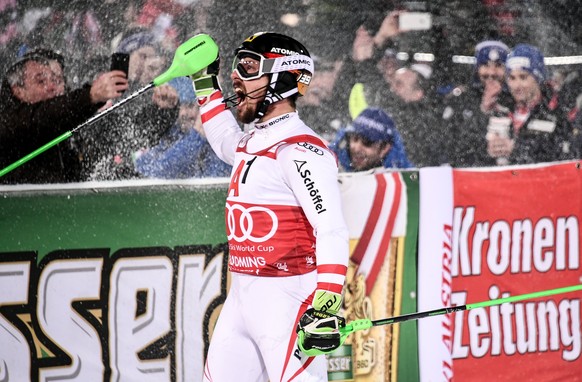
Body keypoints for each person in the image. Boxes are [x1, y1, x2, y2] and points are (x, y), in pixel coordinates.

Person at [190, 32, 349, 381]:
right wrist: (203, 81)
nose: (236, 76)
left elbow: (331, 228)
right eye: (236, 67)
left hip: (288, 300)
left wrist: (326, 301)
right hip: (241, 299)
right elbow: (222, 139)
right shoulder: (254, 141)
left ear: (282, 78)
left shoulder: (300, 149)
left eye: (249, 68)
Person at [0, 48, 128, 184]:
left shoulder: (66, 121)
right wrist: (91, 96)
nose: (51, 87)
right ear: (19, 91)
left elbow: (93, 166)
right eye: (41, 81)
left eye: (55, 80)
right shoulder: (9, 120)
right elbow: (43, 117)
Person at [81, 29, 179, 181]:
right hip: (99, 175)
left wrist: (165, 107)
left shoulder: (151, 90)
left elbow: (146, 133)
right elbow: (118, 124)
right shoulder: (102, 84)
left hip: (130, 175)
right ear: (126, 56)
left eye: (152, 57)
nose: (147, 63)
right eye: (142, 56)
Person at [487, 44, 573, 165]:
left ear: (538, 78)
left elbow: (563, 156)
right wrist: (488, 150)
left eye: (523, 77)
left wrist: (516, 149)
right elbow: (471, 154)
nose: (517, 85)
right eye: (512, 78)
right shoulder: (500, 109)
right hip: (503, 182)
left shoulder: (556, 112)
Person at [133, 77, 231, 178]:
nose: (185, 113)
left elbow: (214, 183)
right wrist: (197, 136)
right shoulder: (172, 135)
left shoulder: (220, 141)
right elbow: (152, 170)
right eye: (182, 106)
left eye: (191, 106)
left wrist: (199, 135)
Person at [442, 40, 512, 167]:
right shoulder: (460, 100)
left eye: (498, 65)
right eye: (485, 65)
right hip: (472, 175)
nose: (491, 72)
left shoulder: (515, 100)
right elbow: (452, 146)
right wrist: (483, 112)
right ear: (477, 68)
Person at [330, 107, 413, 172]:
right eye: (354, 139)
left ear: (385, 149)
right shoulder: (329, 164)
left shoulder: (404, 184)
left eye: (367, 142)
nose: (357, 148)